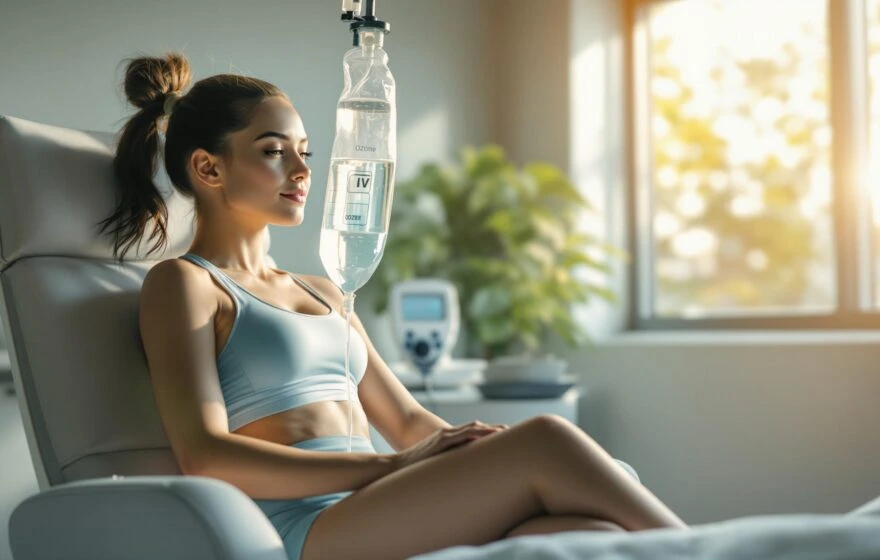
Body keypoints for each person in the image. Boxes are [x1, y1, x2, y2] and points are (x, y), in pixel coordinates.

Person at [98, 52, 689, 560]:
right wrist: (393, 466)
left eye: (304, 151)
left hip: (380, 503)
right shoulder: (185, 284)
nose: (302, 171)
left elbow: (407, 423)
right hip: (309, 526)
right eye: (274, 151)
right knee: (548, 441)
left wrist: (475, 447)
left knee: (592, 535)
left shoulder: (325, 290)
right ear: (208, 167)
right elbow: (205, 456)